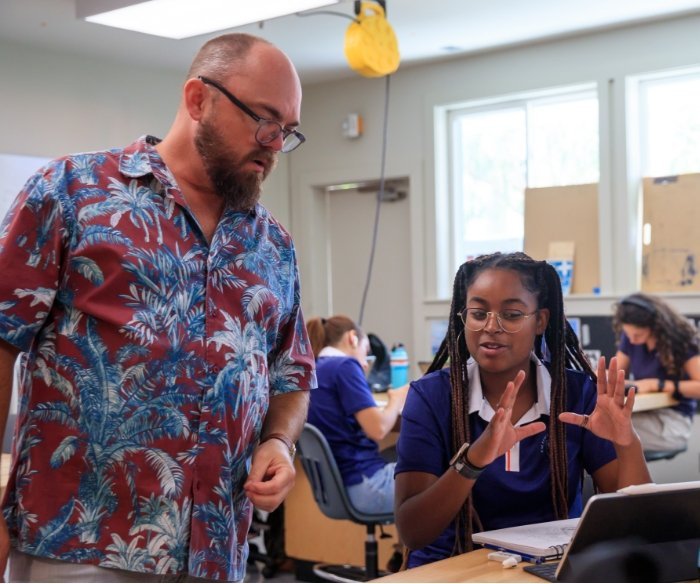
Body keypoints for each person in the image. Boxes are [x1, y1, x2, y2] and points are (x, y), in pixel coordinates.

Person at [0, 33, 316, 582]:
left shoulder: (273, 245)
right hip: (79, 542)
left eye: (287, 132)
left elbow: (292, 374)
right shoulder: (72, 193)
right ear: (198, 100)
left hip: (216, 550)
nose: (273, 144)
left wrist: (279, 443)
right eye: (264, 120)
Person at [394, 252, 650, 568]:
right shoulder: (431, 396)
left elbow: (635, 524)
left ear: (540, 320)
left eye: (512, 314)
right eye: (478, 313)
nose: (491, 326)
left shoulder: (577, 394)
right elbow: (412, 532)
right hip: (452, 568)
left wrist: (628, 444)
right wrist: (472, 461)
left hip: (548, 570)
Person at [306, 316, 407, 514]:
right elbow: (378, 429)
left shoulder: (316, 368)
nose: (366, 364)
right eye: (366, 351)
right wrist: (397, 398)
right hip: (368, 485)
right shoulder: (344, 366)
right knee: (453, 479)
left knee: (402, 451)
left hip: (341, 487)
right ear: (353, 338)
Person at [613, 293, 700, 452]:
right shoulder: (631, 339)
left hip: (672, 421)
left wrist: (657, 384)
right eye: (628, 334)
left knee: (604, 433)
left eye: (637, 335)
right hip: (643, 413)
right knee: (599, 427)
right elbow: (615, 373)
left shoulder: (683, 341)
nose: (632, 340)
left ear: (655, 325)